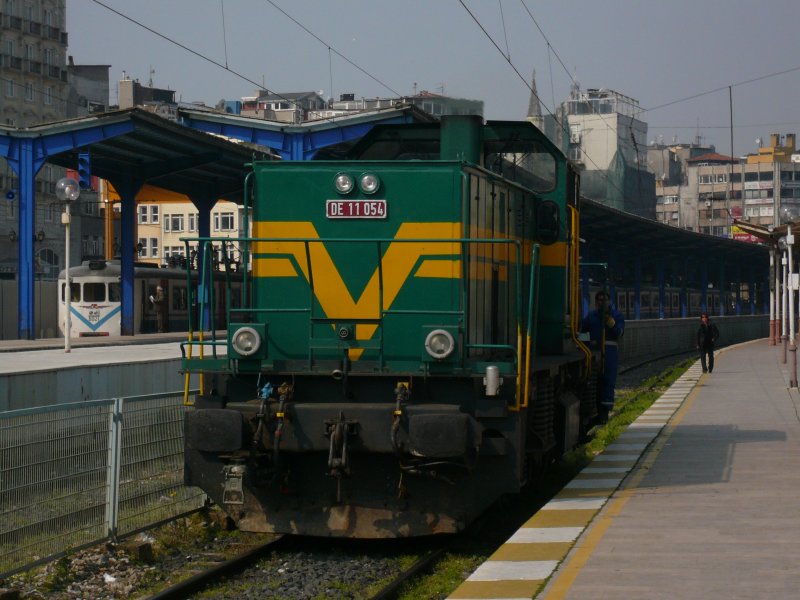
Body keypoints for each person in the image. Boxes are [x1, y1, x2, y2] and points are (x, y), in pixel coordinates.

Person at [581, 290, 625, 424]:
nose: (602, 303)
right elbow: (582, 334)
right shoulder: (591, 316)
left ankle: (605, 411)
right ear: (596, 302)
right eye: (599, 300)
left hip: (610, 351)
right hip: (593, 351)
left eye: (604, 300)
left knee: (608, 380)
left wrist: (612, 323)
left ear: (609, 301)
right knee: (593, 380)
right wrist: (586, 344)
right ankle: (593, 410)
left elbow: (620, 333)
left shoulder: (616, 315)